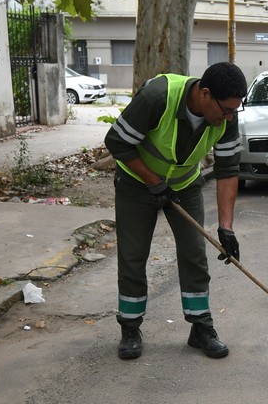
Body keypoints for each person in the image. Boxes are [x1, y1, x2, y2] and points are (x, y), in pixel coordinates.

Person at [103, 62, 248, 361]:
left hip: (184, 186)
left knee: (195, 254)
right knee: (133, 255)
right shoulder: (159, 97)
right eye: (225, 110)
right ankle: (130, 328)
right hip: (135, 184)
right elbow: (116, 141)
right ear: (205, 94)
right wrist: (152, 181)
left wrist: (226, 227)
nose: (230, 117)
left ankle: (201, 327)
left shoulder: (225, 117)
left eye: (235, 111)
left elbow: (228, 170)